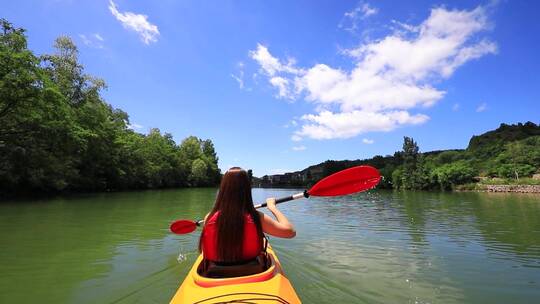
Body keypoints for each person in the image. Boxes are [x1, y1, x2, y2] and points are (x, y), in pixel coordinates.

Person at [199, 167, 296, 266]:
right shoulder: (256, 217)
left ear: (223, 189)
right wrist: (272, 207)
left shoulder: (209, 217)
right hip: (253, 272)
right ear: (246, 189)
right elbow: (290, 232)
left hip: (214, 274)